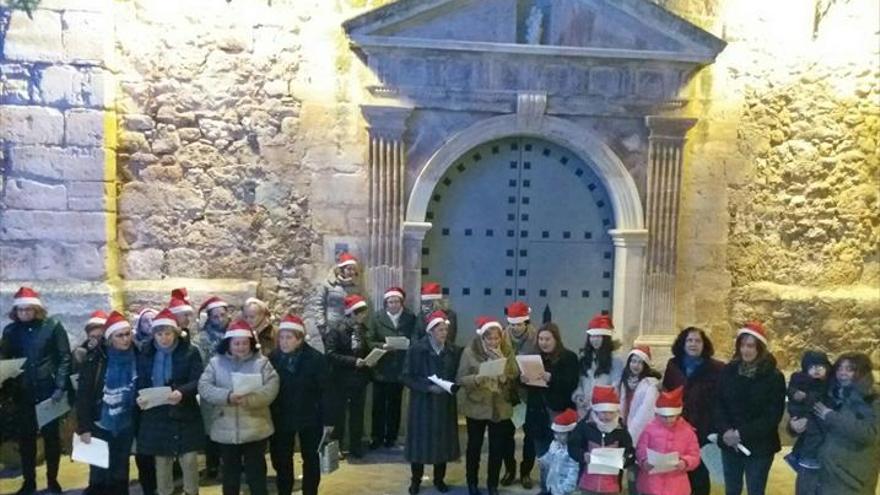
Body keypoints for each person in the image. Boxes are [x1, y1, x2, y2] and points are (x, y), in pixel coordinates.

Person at [0, 287, 71, 495]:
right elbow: (6, 358)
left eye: (28, 310)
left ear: (37, 309)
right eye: (20, 311)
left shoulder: (53, 326)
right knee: (27, 439)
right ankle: (29, 481)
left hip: (48, 390)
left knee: (51, 439)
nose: (24, 314)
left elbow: (64, 357)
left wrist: (60, 385)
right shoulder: (11, 331)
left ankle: (53, 481)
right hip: (23, 392)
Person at [198, 319, 280, 495]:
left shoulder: (262, 363)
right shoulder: (215, 363)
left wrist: (250, 400)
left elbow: (272, 388)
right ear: (229, 343)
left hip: (255, 427)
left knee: (256, 473)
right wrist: (227, 396)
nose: (241, 347)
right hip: (226, 427)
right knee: (229, 474)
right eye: (236, 343)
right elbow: (204, 387)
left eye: (244, 343)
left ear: (251, 343)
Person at [135, 308, 205, 495]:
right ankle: (165, 491)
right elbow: (141, 379)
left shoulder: (190, 352)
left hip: (184, 410)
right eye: (159, 334)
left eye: (168, 333)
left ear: (175, 333)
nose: (164, 338)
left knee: (189, 459)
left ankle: (192, 491)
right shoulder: (146, 353)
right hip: (157, 412)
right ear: (154, 335)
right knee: (162, 460)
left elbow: (198, 380)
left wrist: (182, 392)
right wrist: (140, 397)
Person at [790, 352, 879, 495]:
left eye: (849, 369)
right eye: (839, 368)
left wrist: (831, 416)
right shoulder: (830, 392)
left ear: (862, 372)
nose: (842, 373)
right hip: (820, 470)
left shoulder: (872, 400)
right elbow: (809, 417)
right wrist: (793, 426)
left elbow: (871, 434)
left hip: (851, 478)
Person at [714, 321, 785, 495]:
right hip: (730, 442)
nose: (746, 350)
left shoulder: (773, 376)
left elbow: (772, 415)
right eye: (743, 345)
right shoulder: (728, 371)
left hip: (759, 446)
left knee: (755, 490)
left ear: (759, 348)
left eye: (751, 346)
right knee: (732, 489)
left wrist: (741, 433)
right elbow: (718, 403)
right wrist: (725, 431)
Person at [269, 314, 334, 495]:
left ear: (299, 339)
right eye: (281, 337)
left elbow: (326, 391)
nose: (284, 342)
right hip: (281, 416)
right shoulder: (273, 358)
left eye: (288, 337)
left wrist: (328, 420)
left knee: (310, 458)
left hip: (310, 416)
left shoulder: (316, 359)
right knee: (282, 459)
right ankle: (284, 491)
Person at [75, 311, 139, 495]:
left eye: (128, 334)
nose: (126, 339)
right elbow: (84, 395)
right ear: (110, 338)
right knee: (99, 472)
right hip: (100, 422)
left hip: (126, 422)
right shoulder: (96, 360)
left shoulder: (137, 355)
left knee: (121, 469)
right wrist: (84, 427)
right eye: (120, 335)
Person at [457, 316, 519, 495]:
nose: (493, 342)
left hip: (500, 405)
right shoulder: (470, 352)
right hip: (477, 404)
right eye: (489, 338)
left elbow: (514, 373)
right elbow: (460, 378)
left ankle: (493, 484)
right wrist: (477, 378)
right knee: (474, 447)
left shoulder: (507, 350)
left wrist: (504, 373)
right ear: (482, 338)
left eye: (497, 338)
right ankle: (472, 483)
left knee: (497, 448)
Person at [402, 310, 462, 494]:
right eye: (440, 330)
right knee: (420, 444)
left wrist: (452, 385)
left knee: (442, 442)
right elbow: (407, 376)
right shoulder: (417, 349)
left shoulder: (452, 350)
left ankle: (439, 479)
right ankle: (416, 480)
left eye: (446, 329)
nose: (444, 333)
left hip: (444, 404)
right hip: (423, 404)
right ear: (430, 331)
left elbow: (458, 375)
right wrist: (427, 387)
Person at [662, 326, 724, 495]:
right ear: (683, 343)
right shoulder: (673, 365)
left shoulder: (717, 368)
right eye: (689, 340)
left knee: (699, 478)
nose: (693, 344)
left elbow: (720, 401)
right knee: (677, 475)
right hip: (676, 429)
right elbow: (666, 395)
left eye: (697, 341)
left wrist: (715, 429)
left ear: (704, 344)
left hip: (703, 430)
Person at [522, 322, 579, 493]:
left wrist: (551, 378)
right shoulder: (534, 358)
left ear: (556, 339)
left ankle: (561, 489)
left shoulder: (569, 357)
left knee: (562, 457)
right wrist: (523, 380)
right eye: (540, 339)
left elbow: (571, 383)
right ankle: (545, 488)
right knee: (543, 456)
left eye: (547, 339)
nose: (543, 342)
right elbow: (531, 387)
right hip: (538, 414)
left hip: (559, 414)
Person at [367, 286, 417, 449]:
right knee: (379, 405)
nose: (393, 305)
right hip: (381, 367)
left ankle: (391, 437)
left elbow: (415, 338)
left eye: (396, 301)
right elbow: (369, 340)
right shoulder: (377, 317)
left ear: (402, 302)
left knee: (395, 405)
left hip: (399, 367)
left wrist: (407, 344)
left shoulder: (410, 317)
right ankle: (377, 437)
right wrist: (383, 345)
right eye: (390, 302)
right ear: (385, 303)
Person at [324, 294, 372, 458]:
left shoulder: (362, 330)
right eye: (360, 314)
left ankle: (355, 446)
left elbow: (366, 349)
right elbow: (330, 354)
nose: (363, 317)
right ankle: (336, 446)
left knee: (357, 414)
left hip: (359, 379)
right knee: (338, 414)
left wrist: (372, 358)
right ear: (351, 313)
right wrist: (353, 361)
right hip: (340, 379)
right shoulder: (336, 331)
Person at [568, 385, 634, 495]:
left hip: (612, 486)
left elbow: (630, 451)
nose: (607, 416)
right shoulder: (584, 426)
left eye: (611, 413)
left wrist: (625, 460)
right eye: (603, 412)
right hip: (587, 483)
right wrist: (583, 455)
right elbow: (572, 446)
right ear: (595, 411)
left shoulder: (621, 430)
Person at [501, 300, 539, 488]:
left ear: (526, 323)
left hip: (530, 392)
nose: (515, 328)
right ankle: (509, 469)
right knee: (506, 435)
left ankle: (526, 472)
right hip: (508, 393)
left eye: (519, 324)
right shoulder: (501, 336)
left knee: (530, 436)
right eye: (512, 324)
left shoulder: (537, 337)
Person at [635, 387, 700, 495]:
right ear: (657, 414)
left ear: (678, 414)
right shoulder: (649, 429)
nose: (668, 420)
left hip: (677, 486)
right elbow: (640, 449)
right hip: (651, 485)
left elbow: (695, 455)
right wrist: (644, 461)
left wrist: (685, 462)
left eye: (671, 416)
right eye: (664, 417)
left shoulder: (688, 432)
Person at [618, 345, 661, 494]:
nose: (635, 365)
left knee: (637, 474)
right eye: (633, 361)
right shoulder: (623, 382)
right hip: (622, 432)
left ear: (645, 365)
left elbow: (645, 413)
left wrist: (630, 437)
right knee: (624, 472)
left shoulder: (650, 386)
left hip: (639, 436)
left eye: (640, 362)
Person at [196, 295, 230, 480]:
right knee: (211, 428)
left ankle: (232, 463)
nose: (219, 320)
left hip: (231, 387)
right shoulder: (202, 338)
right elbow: (200, 362)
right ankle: (212, 464)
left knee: (230, 425)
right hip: (210, 387)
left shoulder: (235, 333)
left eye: (222, 315)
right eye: (215, 316)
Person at [305, 251, 364, 349]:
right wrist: (321, 324)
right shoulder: (328, 284)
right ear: (342, 269)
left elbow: (359, 309)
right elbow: (319, 304)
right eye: (349, 269)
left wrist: (356, 325)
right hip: (330, 326)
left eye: (353, 269)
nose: (351, 272)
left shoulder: (356, 287)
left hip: (348, 328)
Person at [784, 350, 831, 471]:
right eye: (812, 367)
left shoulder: (829, 383)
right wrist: (794, 394)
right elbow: (791, 391)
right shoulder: (799, 378)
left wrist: (806, 397)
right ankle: (799, 457)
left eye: (820, 366)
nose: (816, 370)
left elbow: (821, 400)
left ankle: (799, 456)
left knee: (812, 436)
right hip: (800, 411)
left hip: (816, 417)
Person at [572, 313, 624, 419]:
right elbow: (580, 383)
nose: (594, 340)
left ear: (605, 338)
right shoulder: (584, 359)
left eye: (598, 336)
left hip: (604, 411)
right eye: (592, 336)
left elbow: (615, 387)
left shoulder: (615, 360)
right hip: (584, 410)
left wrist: (597, 400)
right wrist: (579, 397)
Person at [131, 306, 159, 495]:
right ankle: (148, 484)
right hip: (138, 402)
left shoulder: (161, 344)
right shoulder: (131, 345)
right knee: (143, 448)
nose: (149, 324)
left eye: (153, 320)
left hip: (157, 399)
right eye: (145, 321)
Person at [537, 409, 580, 495]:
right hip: (553, 486)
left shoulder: (574, 451)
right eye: (555, 433)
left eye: (562, 434)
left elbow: (573, 473)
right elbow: (549, 457)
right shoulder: (555, 444)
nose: (557, 437)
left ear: (571, 434)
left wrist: (564, 489)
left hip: (564, 491)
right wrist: (543, 461)